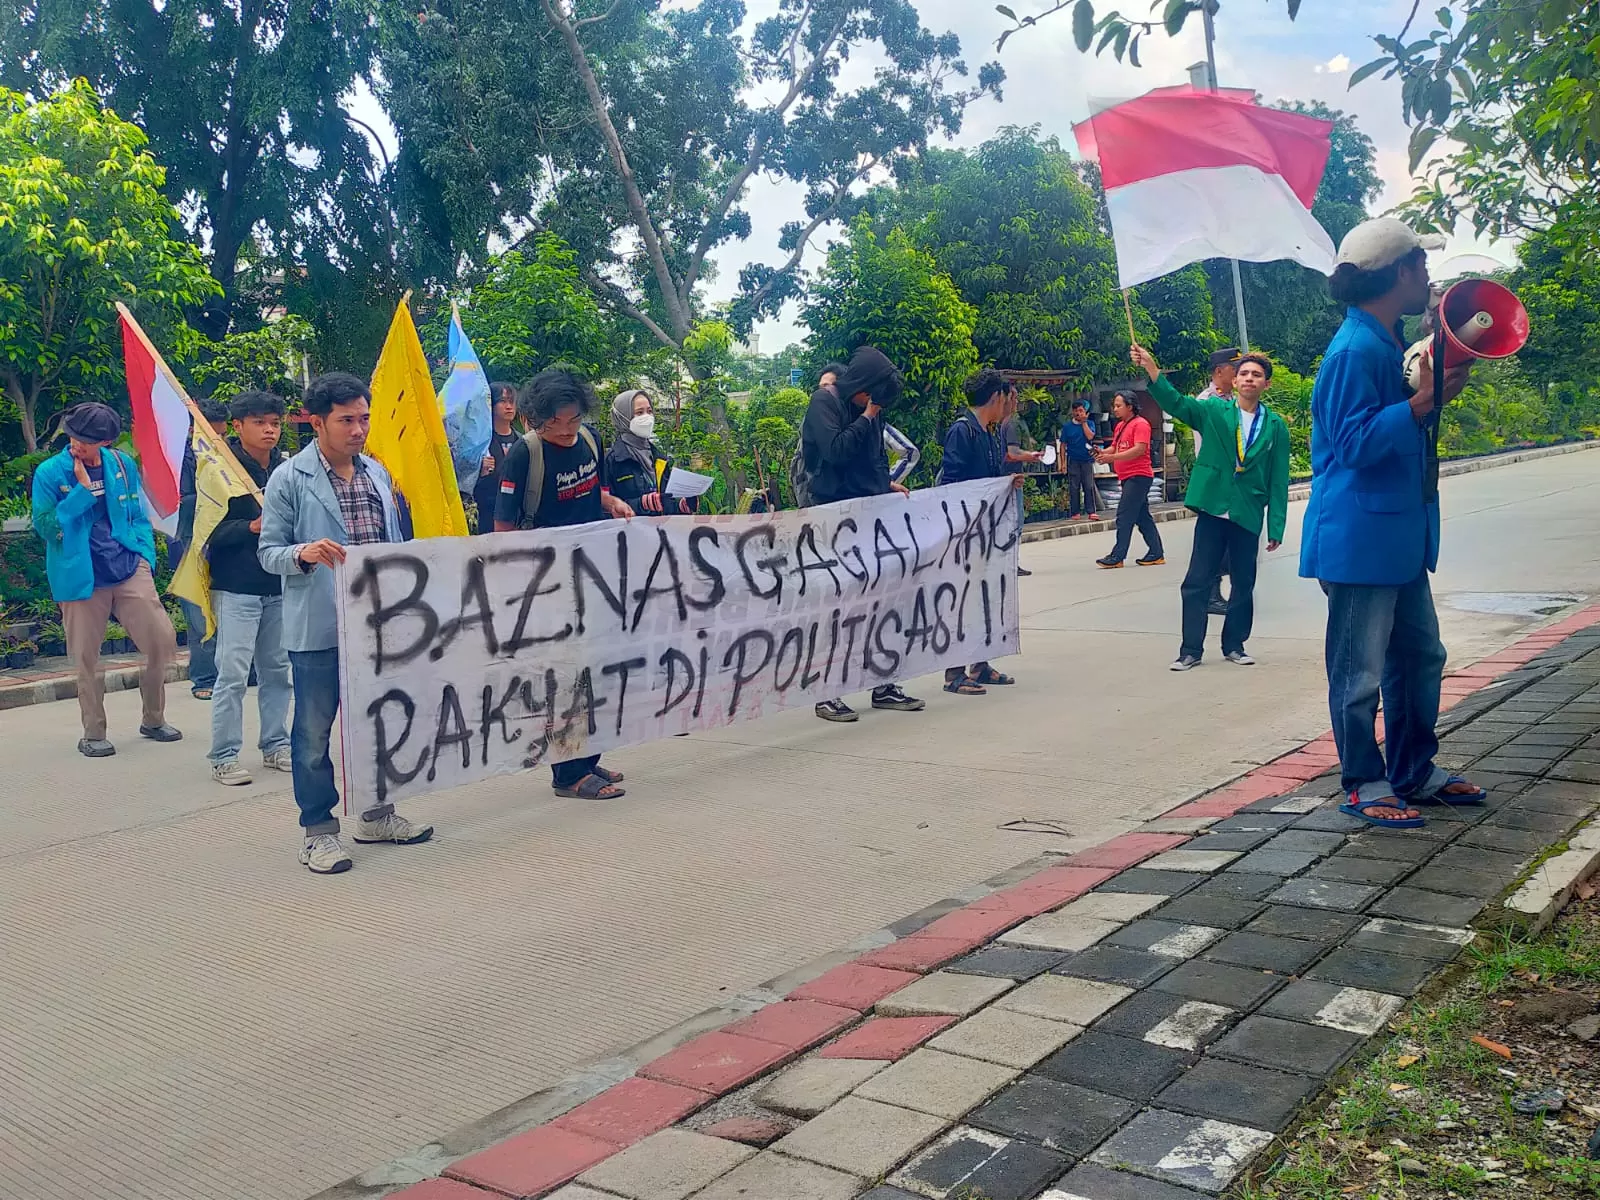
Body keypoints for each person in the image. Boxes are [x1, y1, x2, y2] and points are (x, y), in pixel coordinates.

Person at [1301, 216, 1485, 829]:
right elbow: (1352, 444)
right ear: (1400, 271)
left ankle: (1413, 771)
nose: (1429, 278)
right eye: (1422, 266)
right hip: (1360, 540)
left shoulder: (1385, 343)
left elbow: (1402, 425)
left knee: (1420, 656)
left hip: (1396, 534)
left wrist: (1433, 393)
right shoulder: (1353, 352)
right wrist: (1423, 401)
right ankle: (1364, 781)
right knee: (1360, 674)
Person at [258, 372, 433, 874]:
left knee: (379, 723)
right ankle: (318, 832)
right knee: (313, 734)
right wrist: (304, 553)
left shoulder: (376, 472)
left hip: (377, 626)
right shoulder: (289, 478)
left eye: (364, 418)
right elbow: (268, 552)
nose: (359, 430)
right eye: (346, 420)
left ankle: (377, 815)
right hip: (319, 626)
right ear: (317, 423)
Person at [493, 368, 636, 798]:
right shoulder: (525, 454)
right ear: (537, 419)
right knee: (566, 677)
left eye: (573, 419)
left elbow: (595, 491)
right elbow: (503, 527)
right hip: (550, 583)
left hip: (593, 573)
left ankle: (587, 758)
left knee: (596, 670)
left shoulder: (591, 440)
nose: (566, 429)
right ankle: (568, 774)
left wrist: (611, 502)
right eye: (555, 422)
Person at [31, 402, 181, 757]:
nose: (76, 444)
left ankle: (153, 719)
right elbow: (46, 527)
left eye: (85, 440)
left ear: (106, 441)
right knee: (87, 656)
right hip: (80, 573)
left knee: (161, 640)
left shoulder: (122, 465)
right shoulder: (50, 472)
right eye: (73, 436)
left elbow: (137, 515)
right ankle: (93, 732)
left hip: (126, 564)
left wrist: (144, 555)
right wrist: (82, 492)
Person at [1129, 347, 1290, 671]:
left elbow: (1278, 479)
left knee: (1243, 582)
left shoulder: (1275, 426)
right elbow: (1178, 404)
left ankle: (1235, 645)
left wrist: (1276, 525)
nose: (1249, 378)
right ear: (1235, 379)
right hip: (1214, 508)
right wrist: (1152, 369)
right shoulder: (1214, 410)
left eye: (1256, 375)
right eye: (1244, 373)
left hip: (1247, 511)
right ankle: (1190, 650)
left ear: (1266, 384)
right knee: (1197, 581)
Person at [801, 345, 924, 722]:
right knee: (838, 607)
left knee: (880, 602)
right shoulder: (824, 403)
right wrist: (868, 416)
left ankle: (883, 683)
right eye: (871, 399)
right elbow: (836, 452)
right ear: (861, 387)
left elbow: (873, 461)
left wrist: (885, 484)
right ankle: (827, 693)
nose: (873, 406)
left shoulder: (871, 409)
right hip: (833, 520)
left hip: (869, 520)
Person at [206, 390, 293, 786]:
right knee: (233, 674)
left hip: (279, 583)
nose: (269, 430)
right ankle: (223, 756)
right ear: (238, 426)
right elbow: (206, 534)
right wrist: (250, 527)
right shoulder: (218, 470)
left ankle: (275, 745)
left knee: (278, 670)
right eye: (259, 422)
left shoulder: (287, 470)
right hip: (236, 586)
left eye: (274, 423)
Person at [938, 369, 1023, 695]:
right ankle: (954, 674)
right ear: (996, 397)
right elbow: (951, 483)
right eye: (1006, 397)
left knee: (985, 599)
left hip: (986, 531)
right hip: (966, 532)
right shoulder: (963, 431)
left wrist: (1006, 482)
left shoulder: (988, 432)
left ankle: (980, 663)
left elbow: (988, 477)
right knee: (963, 601)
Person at [172, 397, 230, 698]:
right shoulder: (177, 457)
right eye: (212, 434)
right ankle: (205, 678)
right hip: (189, 538)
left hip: (223, 536)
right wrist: (215, 494)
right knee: (198, 609)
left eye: (222, 435)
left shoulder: (228, 454)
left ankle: (239, 670)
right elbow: (176, 502)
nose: (218, 440)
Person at [1094, 392, 1165, 568]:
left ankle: (1118, 556)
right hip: (1127, 476)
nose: (1115, 409)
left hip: (1138, 475)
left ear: (1130, 406)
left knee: (1124, 515)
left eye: (1119, 405)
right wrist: (1103, 453)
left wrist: (1112, 458)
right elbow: (1115, 447)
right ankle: (1156, 553)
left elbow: (1139, 449)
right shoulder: (1120, 426)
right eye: (1115, 405)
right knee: (1142, 517)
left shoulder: (1141, 424)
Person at [1196, 348, 1242, 616]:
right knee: (1216, 542)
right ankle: (1210, 594)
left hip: (1236, 482)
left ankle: (1223, 591)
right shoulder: (1205, 402)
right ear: (1218, 371)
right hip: (1215, 481)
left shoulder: (1235, 400)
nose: (1238, 374)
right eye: (1234, 369)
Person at [605, 387, 694, 515]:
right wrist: (640, 504)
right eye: (639, 413)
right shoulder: (612, 461)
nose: (647, 417)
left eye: (649, 411)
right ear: (623, 417)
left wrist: (680, 507)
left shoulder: (659, 458)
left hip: (661, 528)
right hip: (631, 528)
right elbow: (605, 511)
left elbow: (665, 503)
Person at [999, 387, 1044, 575]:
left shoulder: (998, 424)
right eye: (1015, 398)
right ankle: (1011, 563)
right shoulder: (1011, 424)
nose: (1017, 402)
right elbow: (1013, 452)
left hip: (1001, 478)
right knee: (1015, 521)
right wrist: (1031, 456)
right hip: (1011, 478)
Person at [469, 381, 522, 535]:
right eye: (503, 401)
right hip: (487, 514)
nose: (509, 406)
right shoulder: (480, 443)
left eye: (511, 401)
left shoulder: (522, 441)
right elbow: (465, 480)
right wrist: (480, 472)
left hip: (517, 513)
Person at [1057, 400, 1101, 521]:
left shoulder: (1090, 423)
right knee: (1074, 486)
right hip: (1073, 460)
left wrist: (1084, 422)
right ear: (1072, 412)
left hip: (1087, 459)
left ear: (1085, 412)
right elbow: (1062, 445)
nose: (1078, 413)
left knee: (1089, 486)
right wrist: (1063, 463)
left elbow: (1090, 436)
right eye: (1076, 411)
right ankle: (1075, 512)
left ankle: (1091, 511)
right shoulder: (1067, 427)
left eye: (1081, 411)